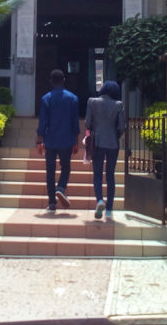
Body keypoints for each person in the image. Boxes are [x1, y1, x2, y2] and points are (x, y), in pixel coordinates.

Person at [36, 68, 81, 213]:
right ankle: (61, 187)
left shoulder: (46, 99)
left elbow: (43, 121)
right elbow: (75, 122)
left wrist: (39, 141)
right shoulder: (73, 98)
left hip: (50, 140)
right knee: (65, 167)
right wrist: (76, 140)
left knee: (50, 171)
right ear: (64, 81)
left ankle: (51, 203)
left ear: (51, 82)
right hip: (67, 140)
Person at [84, 80, 126, 219]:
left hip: (97, 142)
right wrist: (115, 135)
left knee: (97, 174)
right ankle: (109, 209)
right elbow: (122, 127)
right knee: (110, 175)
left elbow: (87, 123)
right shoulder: (118, 105)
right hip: (113, 144)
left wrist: (93, 129)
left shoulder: (92, 102)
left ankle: (100, 200)